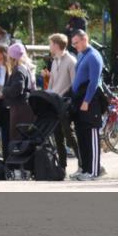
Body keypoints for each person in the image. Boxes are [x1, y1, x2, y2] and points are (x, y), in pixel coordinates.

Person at [70, 30, 104, 181]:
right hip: (79, 99)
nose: (74, 46)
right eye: (73, 43)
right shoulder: (81, 54)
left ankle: (94, 171)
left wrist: (87, 101)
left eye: (76, 42)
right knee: (82, 135)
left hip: (90, 100)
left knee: (91, 134)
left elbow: (94, 81)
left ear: (85, 39)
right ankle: (85, 168)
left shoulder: (94, 56)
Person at [43, 33, 77, 162]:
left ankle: (82, 163)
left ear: (56, 45)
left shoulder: (71, 61)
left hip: (64, 103)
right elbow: (52, 84)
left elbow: (75, 85)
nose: (49, 46)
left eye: (50, 44)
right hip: (54, 103)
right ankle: (62, 166)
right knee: (58, 137)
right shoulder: (54, 61)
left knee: (69, 135)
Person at [3, 41, 36, 151]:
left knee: (17, 138)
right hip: (23, 108)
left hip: (20, 109)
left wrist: (3, 90)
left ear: (13, 57)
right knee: (22, 138)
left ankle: (20, 166)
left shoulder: (18, 70)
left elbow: (16, 90)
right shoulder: (24, 68)